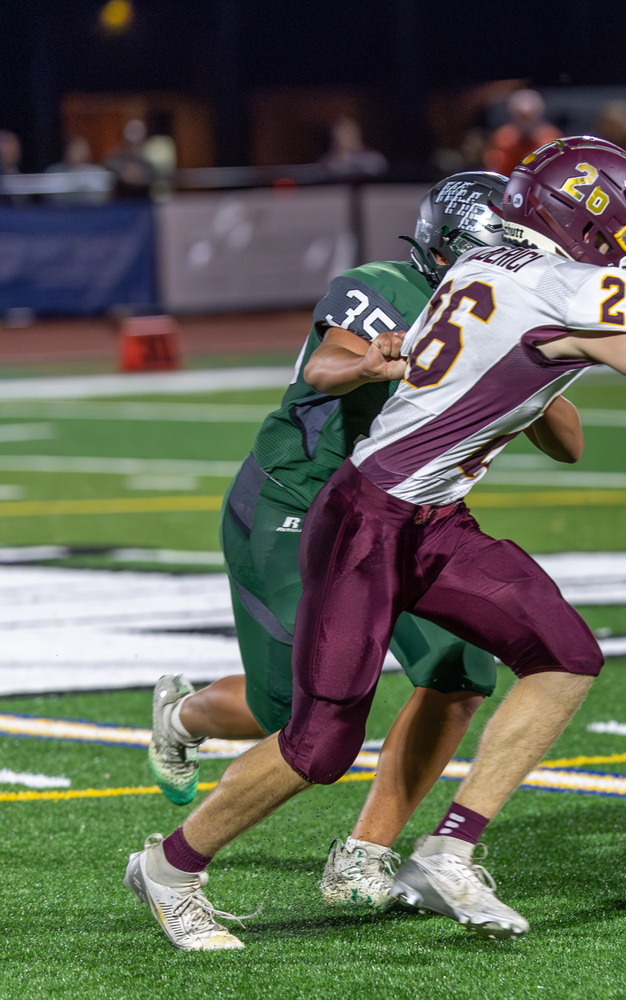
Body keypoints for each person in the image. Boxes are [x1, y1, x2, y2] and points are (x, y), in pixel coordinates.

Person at [124, 136, 626, 951]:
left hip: (430, 517)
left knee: (564, 654)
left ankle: (448, 850)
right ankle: (171, 867)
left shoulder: (490, 269)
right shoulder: (558, 288)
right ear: (578, 222)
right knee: (318, 744)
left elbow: (548, 408)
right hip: (363, 522)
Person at [147, 172, 558, 914]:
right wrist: (372, 362)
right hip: (299, 506)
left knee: (460, 672)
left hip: (403, 517)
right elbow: (326, 363)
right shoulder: (378, 287)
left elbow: (569, 444)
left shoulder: (510, 312)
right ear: (447, 248)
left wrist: (544, 366)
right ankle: (183, 714)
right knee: (295, 717)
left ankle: (363, 856)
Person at [483, 89, 563, 176]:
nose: (525, 122)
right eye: (521, 116)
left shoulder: (550, 138)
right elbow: (497, 168)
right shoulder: (503, 138)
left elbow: (557, 170)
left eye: (530, 116)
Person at [46, 137, 113, 205]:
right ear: (67, 152)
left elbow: (103, 197)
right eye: (75, 150)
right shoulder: (55, 171)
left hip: (92, 212)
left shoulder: (99, 172)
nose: (79, 154)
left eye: (82, 150)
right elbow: (50, 197)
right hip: (63, 212)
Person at [321, 116, 387, 179]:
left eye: (348, 133)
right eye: (340, 133)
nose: (344, 137)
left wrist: (349, 159)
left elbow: (377, 170)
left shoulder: (373, 157)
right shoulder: (328, 160)